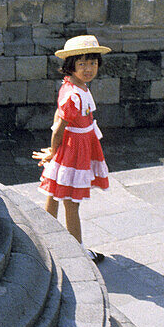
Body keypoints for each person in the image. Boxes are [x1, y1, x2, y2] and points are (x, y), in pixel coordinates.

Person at [32, 34, 111, 263]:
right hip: (72, 149)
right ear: (71, 65)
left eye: (93, 63)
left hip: (78, 146)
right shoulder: (73, 94)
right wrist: (54, 151)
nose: (89, 68)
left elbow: (60, 117)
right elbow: (58, 126)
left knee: (56, 191)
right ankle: (77, 251)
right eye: (82, 63)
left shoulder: (76, 86)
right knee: (70, 200)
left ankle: (47, 237)